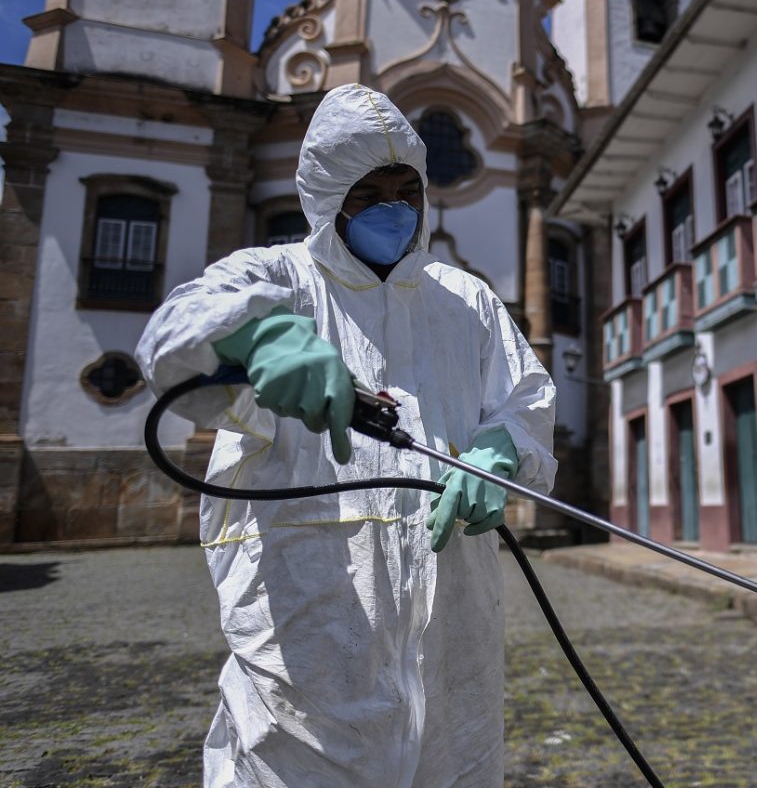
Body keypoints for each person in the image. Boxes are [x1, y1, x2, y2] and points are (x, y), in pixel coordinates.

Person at [138, 83, 556, 788]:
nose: (395, 208)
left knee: (450, 766)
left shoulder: (467, 299)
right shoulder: (279, 278)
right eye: (370, 192)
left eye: (408, 189)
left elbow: (528, 398)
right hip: (308, 632)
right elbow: (173, 335)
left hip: (452, 630)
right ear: (329, 197)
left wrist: (499, 452)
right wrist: (258, 335)